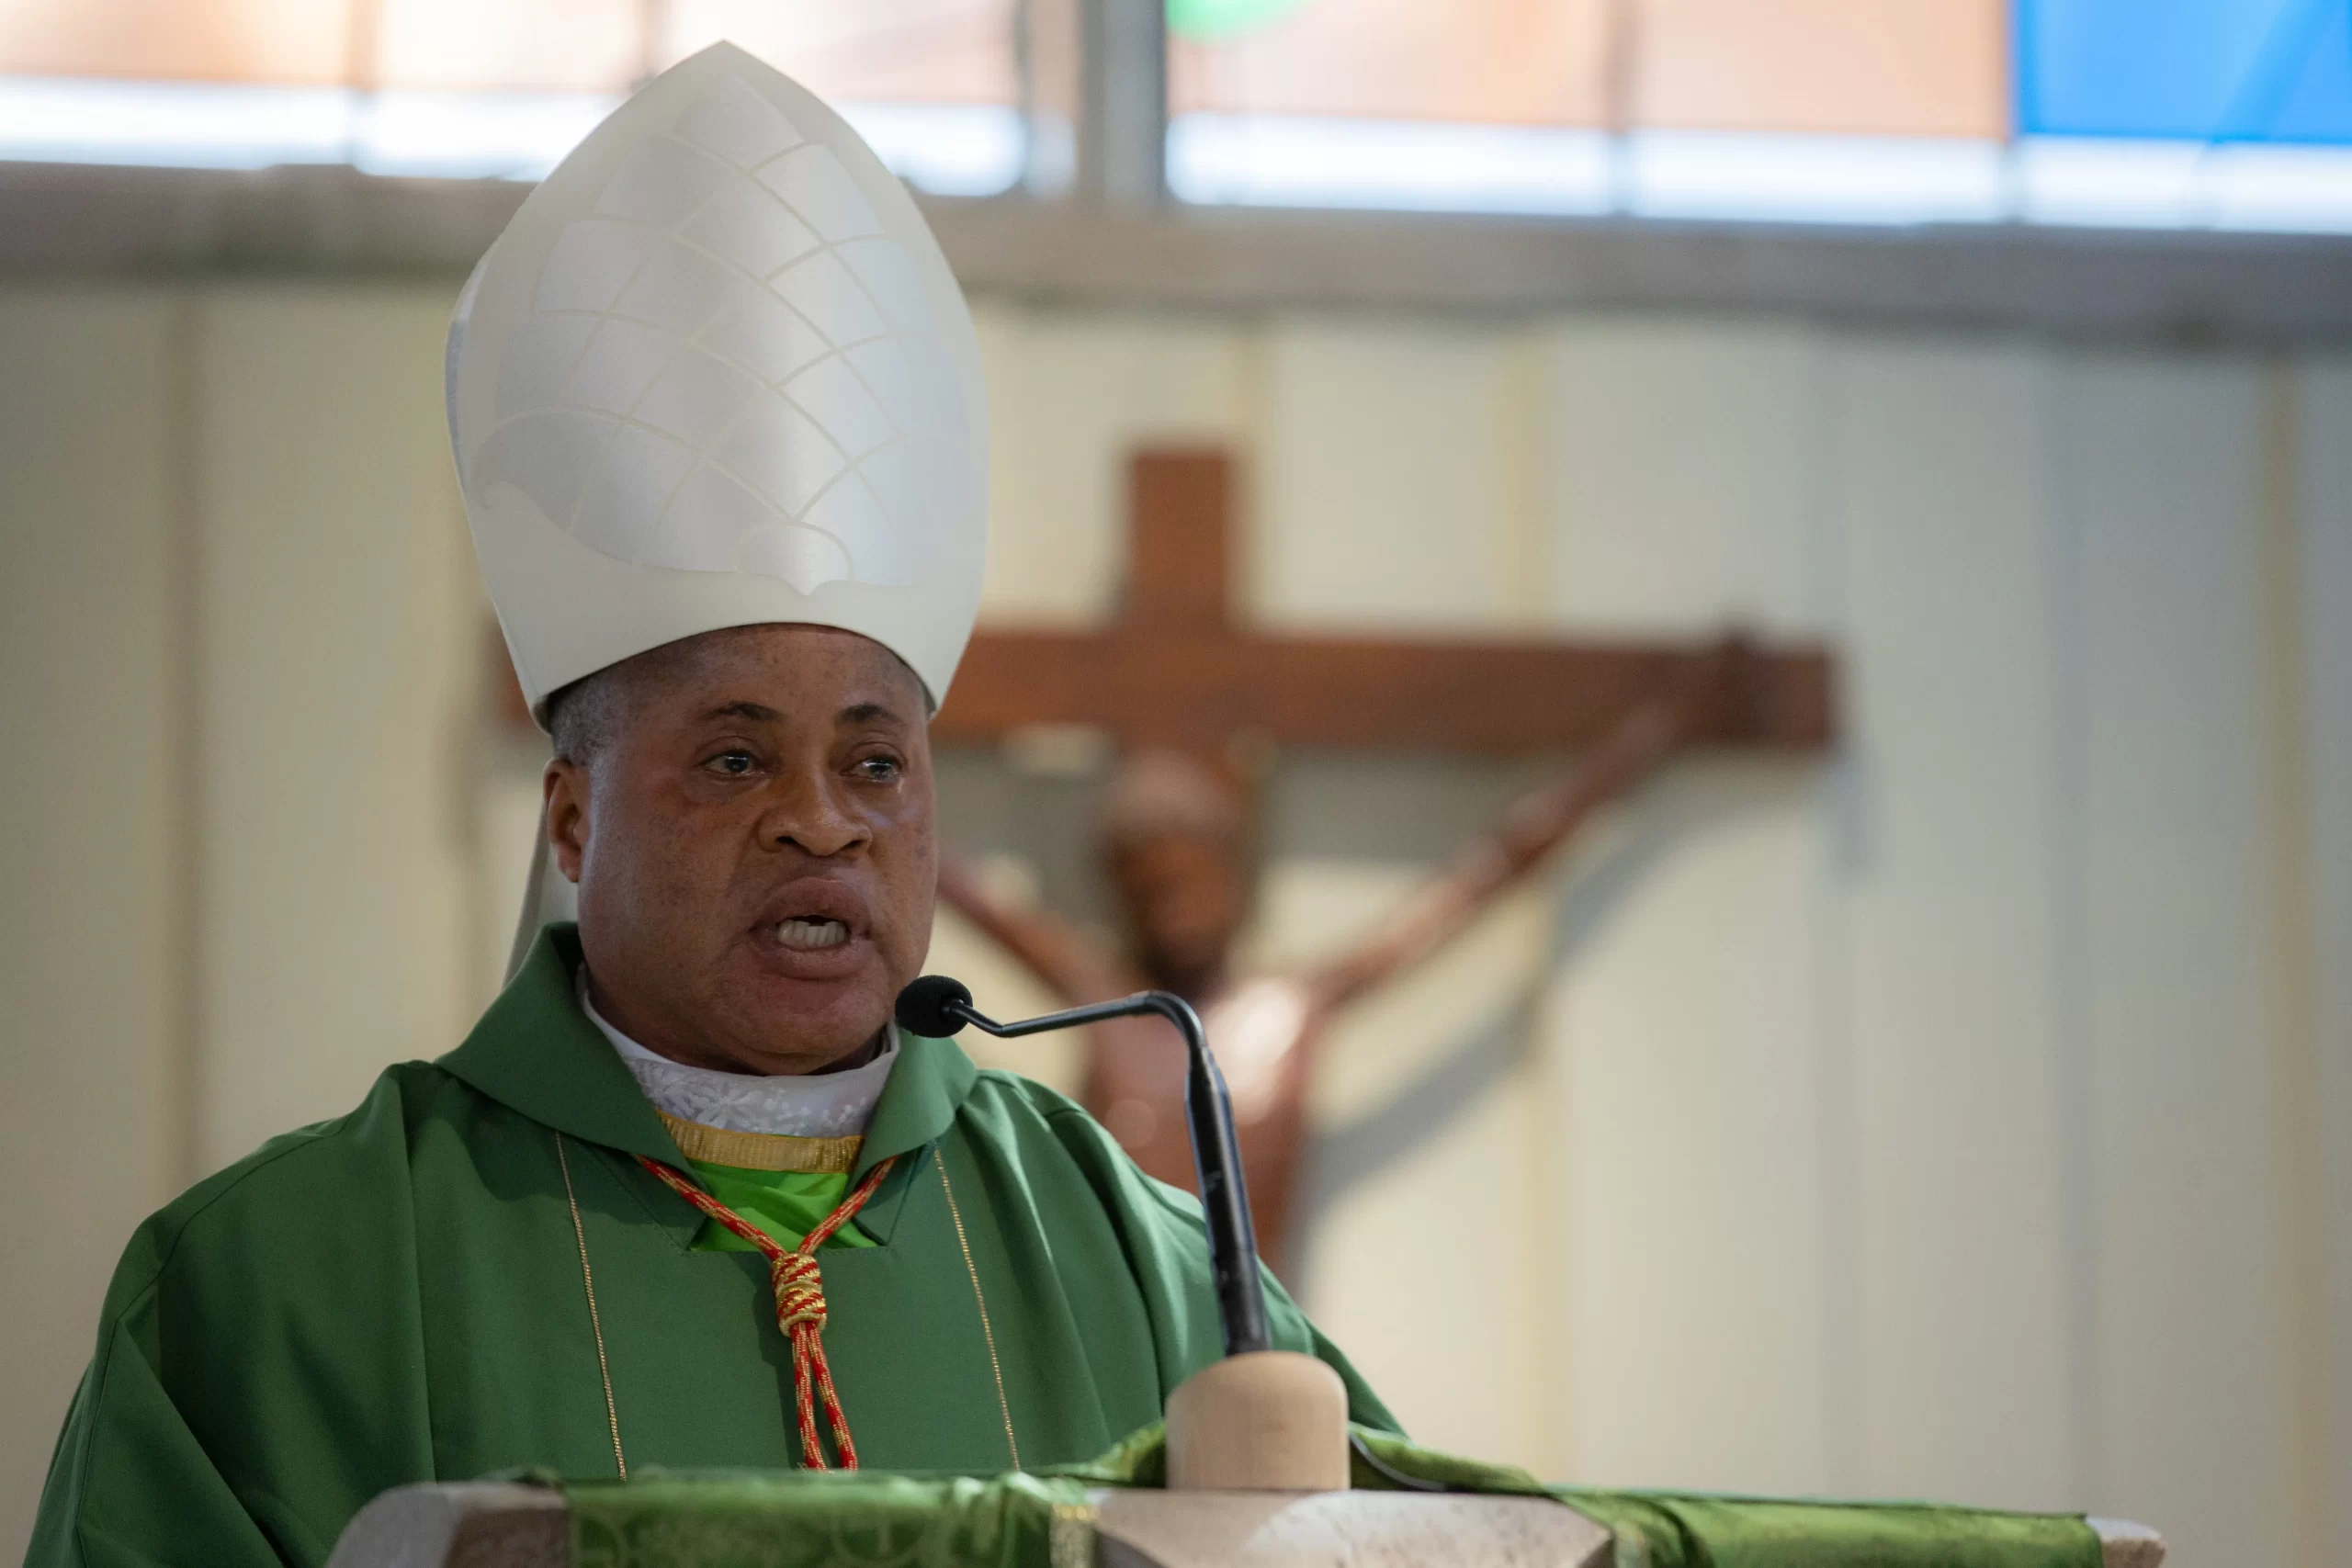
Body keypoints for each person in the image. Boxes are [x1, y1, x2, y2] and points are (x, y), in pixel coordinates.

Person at [28, 44, 1390, 1568]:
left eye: (875, 761)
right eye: (736, 758)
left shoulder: (1153, 1271)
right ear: (569, 820)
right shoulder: (284, 1283)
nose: (823, 823)